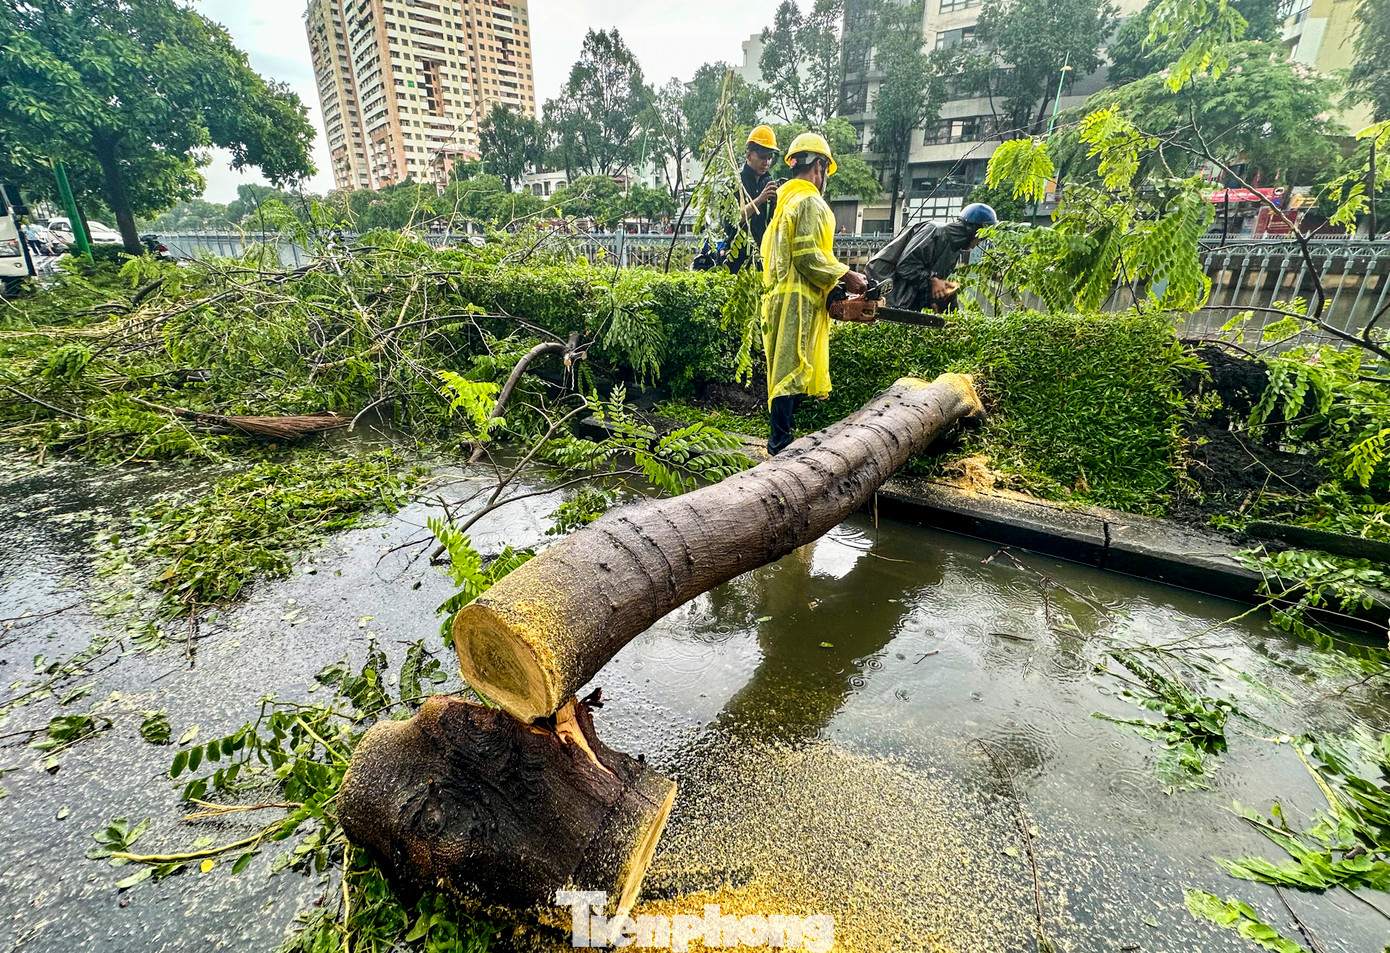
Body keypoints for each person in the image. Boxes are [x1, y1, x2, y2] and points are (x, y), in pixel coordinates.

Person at [760, 132, 867, 456]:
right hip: (798, 300)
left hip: (781, 297)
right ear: (818, 166)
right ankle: (780, 446)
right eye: (824, 170)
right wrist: (845, 275)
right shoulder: (808, 201)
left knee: (783, 370)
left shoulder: (785, 202)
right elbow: (808, 255)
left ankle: (781, 441)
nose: (824, 179)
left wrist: (833, 286)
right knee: (790, 372)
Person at [866, 203, 998, 312]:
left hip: (907, 294)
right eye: (979, 239)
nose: (977, 245)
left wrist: (942, 291)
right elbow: (906, 266)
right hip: (886, 284)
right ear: (972, 231)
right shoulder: (934, 231)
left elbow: (926, 282)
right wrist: (933, 280)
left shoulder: (954, 251)